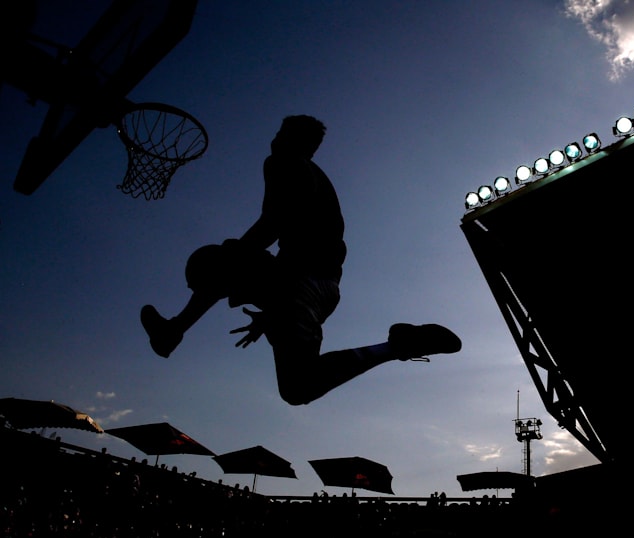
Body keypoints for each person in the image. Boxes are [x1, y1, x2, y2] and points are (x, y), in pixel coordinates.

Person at [139, 114, 461, 405]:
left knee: (218, 263)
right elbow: (278, 226)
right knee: (296, 386)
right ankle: (173, 330)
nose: (274, 139)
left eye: (281, 133)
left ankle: (397, 347)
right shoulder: (310, 176)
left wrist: (236, 256)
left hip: (302, 282)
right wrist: (268, 310)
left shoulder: (286, 164)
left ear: (297, 141)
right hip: (308, 283)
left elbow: (272, 221)